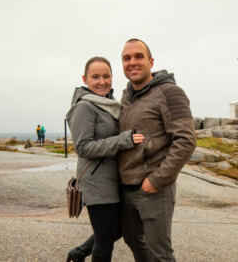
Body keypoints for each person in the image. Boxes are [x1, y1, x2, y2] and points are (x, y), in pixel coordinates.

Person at [118, 39, 196, 262]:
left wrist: (157, 179)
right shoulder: (126, 97)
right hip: (126, 188)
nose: (132, 62)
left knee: (160, 253)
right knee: (133, 240)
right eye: (127, 58)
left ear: (151, 62)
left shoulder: (170, 92)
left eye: (138, 56)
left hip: (154, 189)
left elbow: (186, 140)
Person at [66, 57, 145, 262]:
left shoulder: (109, 105)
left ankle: (79, 253)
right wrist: (122, 141)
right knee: (105, 240)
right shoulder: (84, 107)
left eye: (106, 76)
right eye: (95, 77)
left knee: (116, 230)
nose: (102, 81)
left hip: (114, 179)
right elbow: (82, 147)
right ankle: (80, 253)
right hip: (96, 181)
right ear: (85, 78)